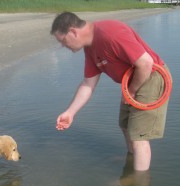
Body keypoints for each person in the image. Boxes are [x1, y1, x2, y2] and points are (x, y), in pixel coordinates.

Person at [50, 12, 171, 171]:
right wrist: (70, 112)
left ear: (73, 32)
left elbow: (146, 63)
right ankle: (132, 161)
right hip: (132, 82)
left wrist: (131, 91)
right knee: (126, 126)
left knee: (138, 137)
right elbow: (88, 83)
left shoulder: (110, 32)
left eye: (63, 41)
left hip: (151, 76)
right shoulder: (90, 48)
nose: (63, 46)